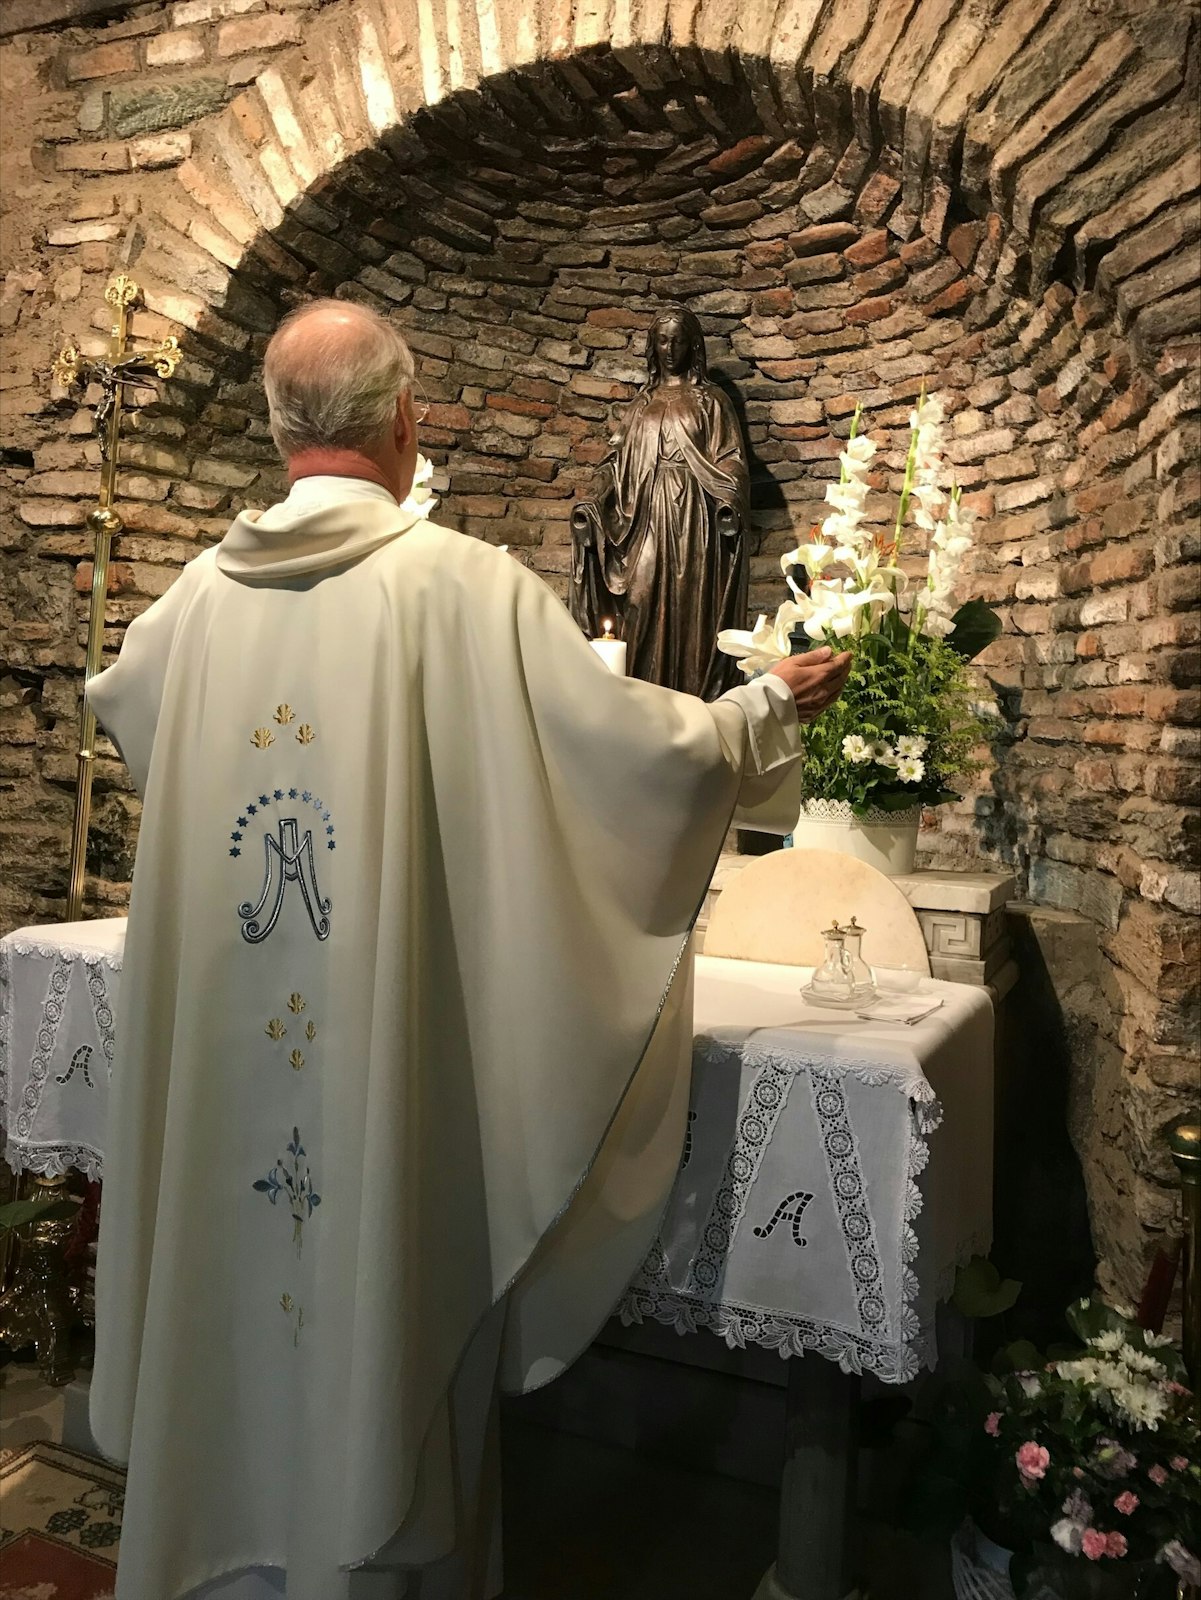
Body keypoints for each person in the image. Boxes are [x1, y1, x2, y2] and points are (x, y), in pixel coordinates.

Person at [85, 299, 851, 1600]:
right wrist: (754, 712)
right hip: (386, 1091)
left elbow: (126, 707)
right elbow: (629, 762)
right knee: (384, 1283)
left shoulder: (189, 609)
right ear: (404, 420)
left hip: (233, 1080)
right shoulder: (461, 591)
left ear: (278, 430)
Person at [570, 304, 750, 699]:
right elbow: (614, 464)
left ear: (693, 346)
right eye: (663, 340)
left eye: (678, 341)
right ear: (653, 346)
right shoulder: (640, 405)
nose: (670, 349)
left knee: (690, 612)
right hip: (644, 515)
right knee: (640, 599)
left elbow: (732, 460)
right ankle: (640, 704)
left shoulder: (711, 401)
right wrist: (591, 501)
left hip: (694, 517)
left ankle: (691, 701)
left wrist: (727, 500)